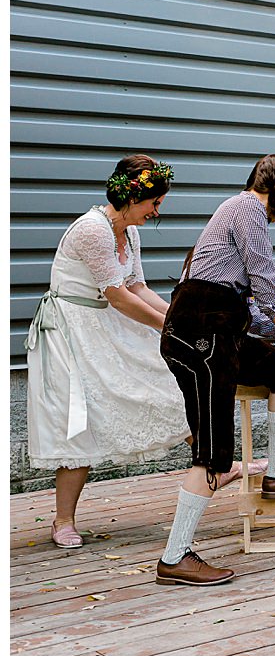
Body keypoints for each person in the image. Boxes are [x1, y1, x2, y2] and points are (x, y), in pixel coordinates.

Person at [156, 154, 275, 587]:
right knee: (214, 457)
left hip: (218, 331)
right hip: (201, 336)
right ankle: (175, 557)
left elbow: (248, 306)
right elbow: (265, 278)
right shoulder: (247, 207)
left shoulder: (237, 212)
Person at [26, 155, 191, 549]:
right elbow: (116, 295)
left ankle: (220, 464)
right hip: (70, 330)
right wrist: (164, 326)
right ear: (131, 197)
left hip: (102, 322)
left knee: (169, 379)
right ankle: (62, 520)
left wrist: (179, 319)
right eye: (153, 203)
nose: (156, 211)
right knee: (77, 421)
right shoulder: (93, 230)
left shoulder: (129, 232)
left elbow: (136, 287)